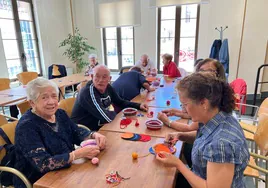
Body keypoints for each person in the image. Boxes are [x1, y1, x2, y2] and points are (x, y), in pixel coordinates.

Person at [156, 73, 249, 188]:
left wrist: (178, 164)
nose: (183, 109)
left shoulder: (221, 144)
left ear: (203, 103)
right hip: (201, 176)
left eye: (185, 104)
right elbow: (206, 138)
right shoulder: (219, 116)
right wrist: (180, 135)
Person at [14, 78, 106, 187]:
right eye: (44, 97)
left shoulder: (60, 114)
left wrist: (93, 135)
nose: (52, 102)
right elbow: (43, 164)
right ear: (32, 103)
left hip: (67, 170)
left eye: (54, 96)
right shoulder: (27, 127)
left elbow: (75, 131)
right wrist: (76, 154)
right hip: (39, 180)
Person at [71, 65, 148, 131]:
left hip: (102, 127)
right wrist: (119, 117)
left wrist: (138, 105)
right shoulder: (88, 92)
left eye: (104, 77)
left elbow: (120, 102)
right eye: (97, 76)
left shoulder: (108, 87)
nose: (100, 80)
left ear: (109, 78)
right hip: (85, 132)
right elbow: (105, 117)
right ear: (91, 77)